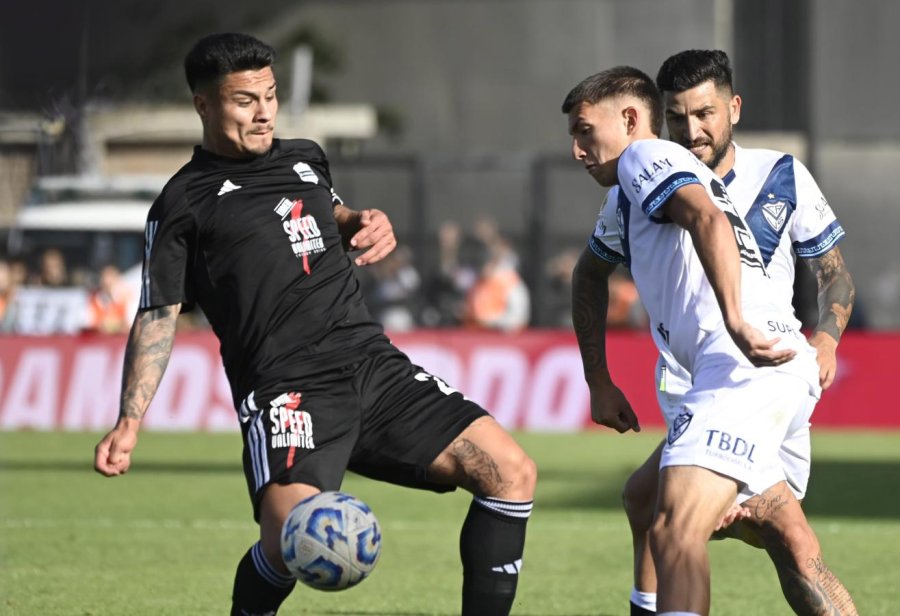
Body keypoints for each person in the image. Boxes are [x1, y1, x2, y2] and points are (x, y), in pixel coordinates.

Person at [93, 33, 536, 616]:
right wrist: (129, 421)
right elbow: (158, 314)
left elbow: (328, 210)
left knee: (510, 471)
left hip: (374, 367)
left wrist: (363, 220)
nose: (265, 112)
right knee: (287, 541)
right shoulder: (183, 203)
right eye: (245, 100)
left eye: (271, 96)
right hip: (287, 389)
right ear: (204, 105)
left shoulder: (305, 156)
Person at [563, 66, 851, 615]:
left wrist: (738, 320)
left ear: (628, 119)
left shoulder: (643, 157)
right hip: (759, 371)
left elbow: (708, 221)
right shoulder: (652, 174)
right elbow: (589, 274)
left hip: (744, 370)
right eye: (679, 115)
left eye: (583, 131)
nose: (576, 149)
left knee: (675, 531)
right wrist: (598, 380)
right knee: (650, 502)